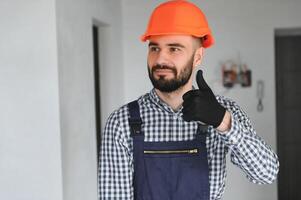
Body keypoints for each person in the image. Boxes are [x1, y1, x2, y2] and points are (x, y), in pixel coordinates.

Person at [98, 0, 279, 199]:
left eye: (174, 49)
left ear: (197, 57)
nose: (160, 60)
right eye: (154, 48)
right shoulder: (122, 122)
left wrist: (223, 122)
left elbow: (266, 173)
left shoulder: (224, 112)